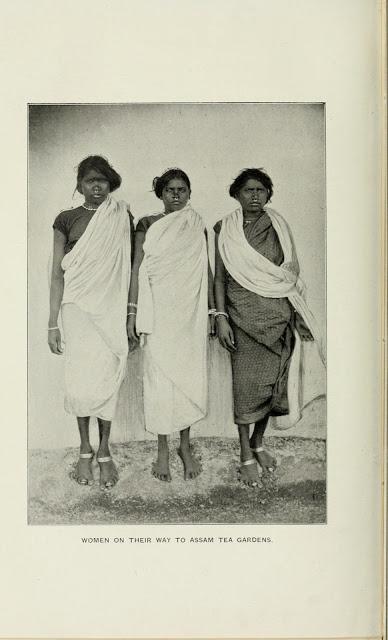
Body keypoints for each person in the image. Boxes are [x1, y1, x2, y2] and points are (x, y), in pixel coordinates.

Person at [214, 168, 324, 487]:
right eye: (248, 190)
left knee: (274, 386)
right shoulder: (225, 228)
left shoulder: (279, 226)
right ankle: (245, 454)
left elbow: (288, 274)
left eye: (261, 190)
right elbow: (220, 277)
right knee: (246, 389)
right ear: (236, 194)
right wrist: (221, 316)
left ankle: (259, 442)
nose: (254, 196)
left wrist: (296, 315)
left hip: (279, 315)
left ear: (268, 194)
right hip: (241, 316)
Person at [48, 155, 133, 489]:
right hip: (78, 308)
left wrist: (130, 315)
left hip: (110, 309)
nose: (97, 186)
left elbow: (127, 268)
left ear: (111, 183)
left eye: (103, 180)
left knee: (108, 376)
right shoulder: (66, 219)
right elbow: (57, 273)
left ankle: (105, 449)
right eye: (89, 180)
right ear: (80, 185)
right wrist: (52, 323)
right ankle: (85, 448)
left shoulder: (121, 215)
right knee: (81, 381)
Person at [127, 168, 215, 481]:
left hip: (188, 314)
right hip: (158, 313)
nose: (176, 195)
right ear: (161, 195)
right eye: (170, 190)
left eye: (181, 190)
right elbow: (138, 268)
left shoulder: (196, 224)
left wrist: (213, 312)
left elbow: (205, 270)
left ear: (189, 193)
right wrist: (132, 313)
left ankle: (185, 446)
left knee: (187, 378)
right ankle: (163, 449)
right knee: (159, 380)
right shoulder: (147, 223)